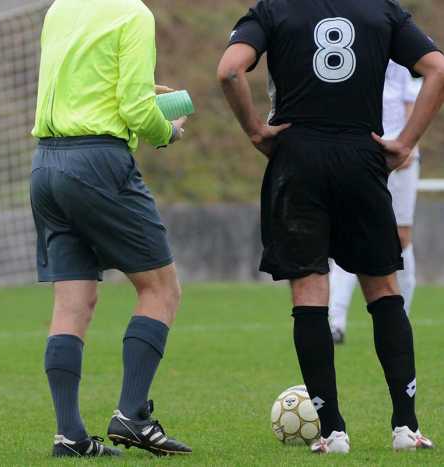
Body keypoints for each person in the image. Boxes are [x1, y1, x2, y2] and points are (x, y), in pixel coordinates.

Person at [218, 0, 444, 454]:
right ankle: (406, 427)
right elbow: (437, 68)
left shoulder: (272, 10)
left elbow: (229, 71)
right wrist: (405, 143)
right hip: (361, 158)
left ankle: (332, 431)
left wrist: (256, 131)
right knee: (383, 289)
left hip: (297, 159)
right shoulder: (381, 10)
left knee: (309, 291)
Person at [31, 0, 191, 458]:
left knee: (72, 302)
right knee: (161, 289)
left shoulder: (60, 8)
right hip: (98, 161)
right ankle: (132, 415)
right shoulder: (133, 14)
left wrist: (139, 97)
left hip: (46, 164)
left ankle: (70, 436)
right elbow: (138, 111)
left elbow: (78, 86)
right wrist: (168, 131)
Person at [330, 61, 423, 344]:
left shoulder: (406, 48)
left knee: (401, 236)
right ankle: (335, 320)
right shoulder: (356, 40)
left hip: (400, 153)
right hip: (360, 153)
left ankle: (400, 318)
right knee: (348, 235)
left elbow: (413, 101)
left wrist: (408, 145)